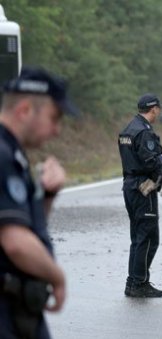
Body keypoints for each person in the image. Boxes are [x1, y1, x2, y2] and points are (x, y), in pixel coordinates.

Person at [0, 67, 78, 338]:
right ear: (24, 110)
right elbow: (16, 242)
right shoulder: (2, 155)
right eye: (54, 118)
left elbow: (22, 227)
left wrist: (47, 196)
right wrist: (57, 276)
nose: (57, 130)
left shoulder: (12, 153)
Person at [118, 93, 162, 298]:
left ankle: (133, 282)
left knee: (138, 236)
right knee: (147, 237)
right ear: (153, 109)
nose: (159, 112)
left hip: (129, 185)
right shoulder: (144, 132)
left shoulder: (127, 129)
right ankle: (139, 283)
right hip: (143, 187)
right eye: (158, 109)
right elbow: (150, 161)